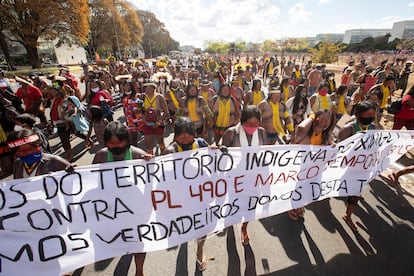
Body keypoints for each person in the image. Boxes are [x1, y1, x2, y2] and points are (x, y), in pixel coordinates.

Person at [92, 121, 152, 276]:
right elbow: (91, 182)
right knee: (120, 241)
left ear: (127, 140)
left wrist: (151, 163)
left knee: (138, 244)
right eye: (111, 143)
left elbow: (152, 182)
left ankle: (139, 270)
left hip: (136, 210)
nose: (116, 146)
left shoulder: (139, 155)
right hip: (112, 210)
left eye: (120, 142)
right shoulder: (101, 156)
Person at [162, 117, 211, 271]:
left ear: (194, 133)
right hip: (180, 199)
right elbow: (161, 177)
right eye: (180, 134)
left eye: (188, 134)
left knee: (202, 225)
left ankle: (200, 250)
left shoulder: (202, 144)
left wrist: (215, 152)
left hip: (200, 196)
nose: (184, 137)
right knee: (184, 225)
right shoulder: (170, 151)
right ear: (175, 135)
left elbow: (213, 162)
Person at [221, 105, 269, 245]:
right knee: (233, 205)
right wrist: (218, 149)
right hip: (234, 179)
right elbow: (221, 155)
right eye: (249, 124)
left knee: (250, 207)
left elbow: (264, 155)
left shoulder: (261, 133)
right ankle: (230, 224)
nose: (253, 127)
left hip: (254, 178)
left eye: (256, 124)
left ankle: (244, 228)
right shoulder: (231, 133)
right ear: (242, 121)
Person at [336, 100, 379, 232]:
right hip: (348, 167)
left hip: (363, 168)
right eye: (367, 115)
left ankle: (347, 215)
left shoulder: (374, 129)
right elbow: (338, 151)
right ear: (358, 115)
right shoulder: (348, 129)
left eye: (373, 115)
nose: (370, 118)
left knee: (354, 193)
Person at [288, 110, 336, 220]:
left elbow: (333, 148)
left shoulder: (326, 135)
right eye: (321, 118)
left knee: (305, 190)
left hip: (312, 172)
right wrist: (311, 117)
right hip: (298, 169)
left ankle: (299, 206)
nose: (323, 122)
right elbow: (301, 128)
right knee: (295, 189)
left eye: (327, 120)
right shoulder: (304, 132)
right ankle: (291, 208)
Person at [7, 129, 72, 178]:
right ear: (15, 153)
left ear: (39, 145)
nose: (28, 153)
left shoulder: (55, 161)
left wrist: (72, 169)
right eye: (23, 151)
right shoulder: (17, 164)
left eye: (31, 149)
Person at [141, 80, 169, 155]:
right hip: (147, 123)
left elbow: (166, 112)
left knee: (161, 142)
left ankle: (163, 157)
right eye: (146, 89)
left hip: (159, 123)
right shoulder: (142, 97)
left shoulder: (159, 97)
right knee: (149, 144)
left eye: (150, 88)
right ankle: (150, 160)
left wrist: (158, 123)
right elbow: (140, 112)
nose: (148, 90)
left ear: (154, 88)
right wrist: (145, 122)